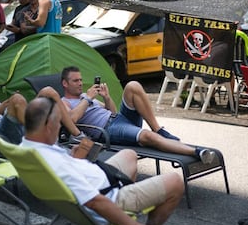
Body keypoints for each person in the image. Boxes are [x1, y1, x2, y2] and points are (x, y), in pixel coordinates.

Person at [22, 96, 184, 225]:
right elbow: (95, 202)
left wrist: (74, 159)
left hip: (100, 180)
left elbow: (67, 174)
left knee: (129, 154)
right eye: (58, 123)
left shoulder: (29, 146)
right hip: (110, 199)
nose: (59, 128)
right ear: (49, 125)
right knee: (175, 181)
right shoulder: (54, 162)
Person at [61, 66, 216, 164]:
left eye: (81, 80)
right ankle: (196, 152)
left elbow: (112, 112)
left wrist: (106, 98)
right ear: (65, 84)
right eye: (75, 81)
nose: (80, 83)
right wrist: (88, 99)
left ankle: (158, 129)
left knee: (132, 86)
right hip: (108, 130)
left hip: (118, 120)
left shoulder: (85, 97)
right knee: (147, 137)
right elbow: (71, 120)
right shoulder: (65, 102)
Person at [0, 60, 83, 152]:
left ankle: (77, 135)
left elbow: (6, 112)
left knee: (48, 92)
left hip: (13, 127)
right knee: (17, 99)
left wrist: (12, 104)